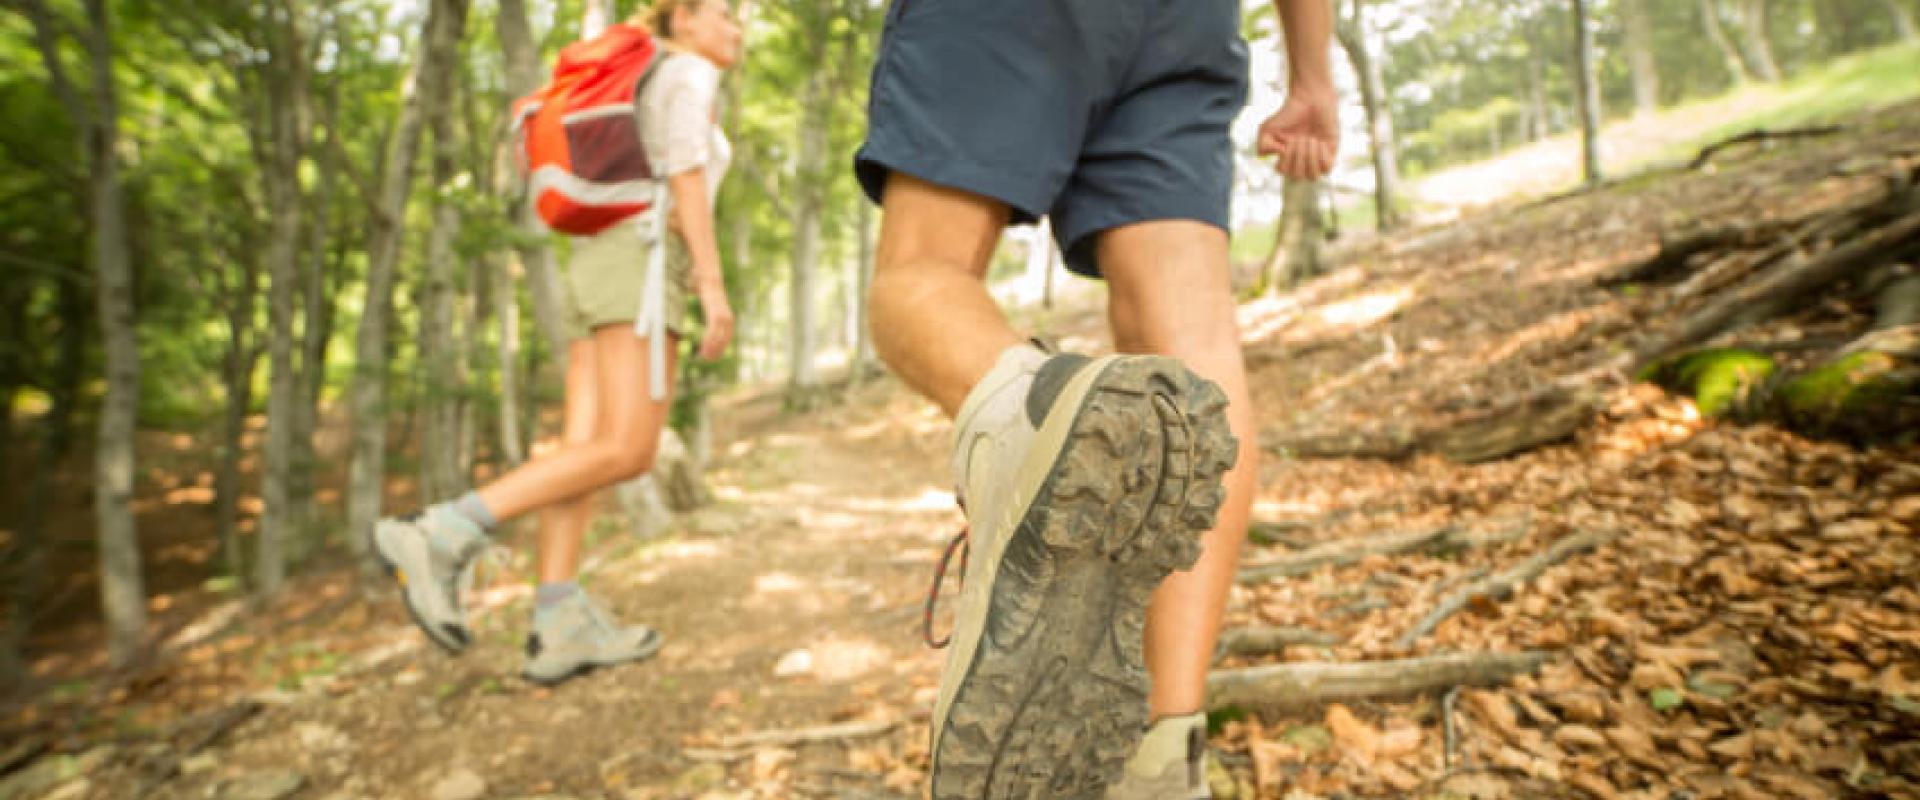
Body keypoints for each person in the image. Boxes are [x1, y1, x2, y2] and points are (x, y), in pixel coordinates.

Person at [854, 0, 1338, 795]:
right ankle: (1165, 759)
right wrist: (1312, 74)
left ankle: (1034, 428)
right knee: (1194, 346)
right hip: (1186, 22)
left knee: (922, 272)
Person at [371, 0, 743, 687]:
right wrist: (713, 290)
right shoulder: (687, 71)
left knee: (583, 451)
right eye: (726, 13)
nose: (737, 29)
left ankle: (556, 621)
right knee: (628, 449)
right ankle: (442, 531)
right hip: (640, 263)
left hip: (595, 263)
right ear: (684, 16)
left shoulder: (654, 71)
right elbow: (686, 175)